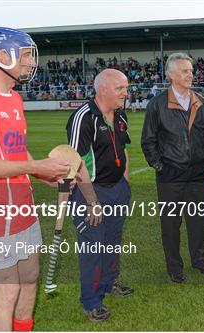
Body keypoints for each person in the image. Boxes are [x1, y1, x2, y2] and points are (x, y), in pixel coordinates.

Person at [0, 27, 71, 331]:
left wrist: (43, 171)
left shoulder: (15, 100)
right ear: (1, 55)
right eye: (25, 55)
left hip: (22, 207)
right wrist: (32, 167)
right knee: (6, 292)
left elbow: (16, 151)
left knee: (30, 279)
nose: (30, 62)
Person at [141, 52, 204, 283]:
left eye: (191, 71)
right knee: (171, 223)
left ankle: (199, 261)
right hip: (170, 173)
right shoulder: (157, 104)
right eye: (185, 71)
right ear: (171, 75)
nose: (190, 75)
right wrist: (159, 165)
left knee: (197, 220)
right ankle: (174, 267)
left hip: (197, 172)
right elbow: (148, 140)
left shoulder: (200, 101)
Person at [67, 68, 134, 321]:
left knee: (113, 242)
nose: (125, 93)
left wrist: (125, 183)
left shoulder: (120, 114)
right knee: (93, 248)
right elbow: (77, 163)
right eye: (120, 89)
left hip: (117, 190)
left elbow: (123, 149)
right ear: (103, 89)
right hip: (91, 193)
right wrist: (92, 201)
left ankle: (109, 284)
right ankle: (91, 301)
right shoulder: (83, 118)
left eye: (126, 88)